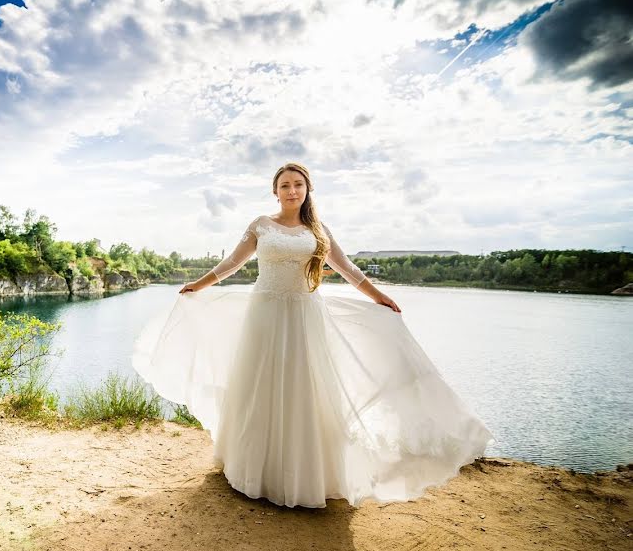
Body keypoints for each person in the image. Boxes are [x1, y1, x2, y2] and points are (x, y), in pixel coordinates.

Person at [131, 162, 495, 508]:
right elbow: (232, 264)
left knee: (306, 388)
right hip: (265, 314)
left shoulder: (318, 231)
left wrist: (379, 295)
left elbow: (348, 269)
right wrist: (199, 283)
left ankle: (306, 475)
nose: (292, 190)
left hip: (306, 315)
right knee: (262, 384)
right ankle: (255, 470)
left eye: (298, 185)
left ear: (308, 190)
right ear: (275, 192)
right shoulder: (260, 225)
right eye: (285, 185)